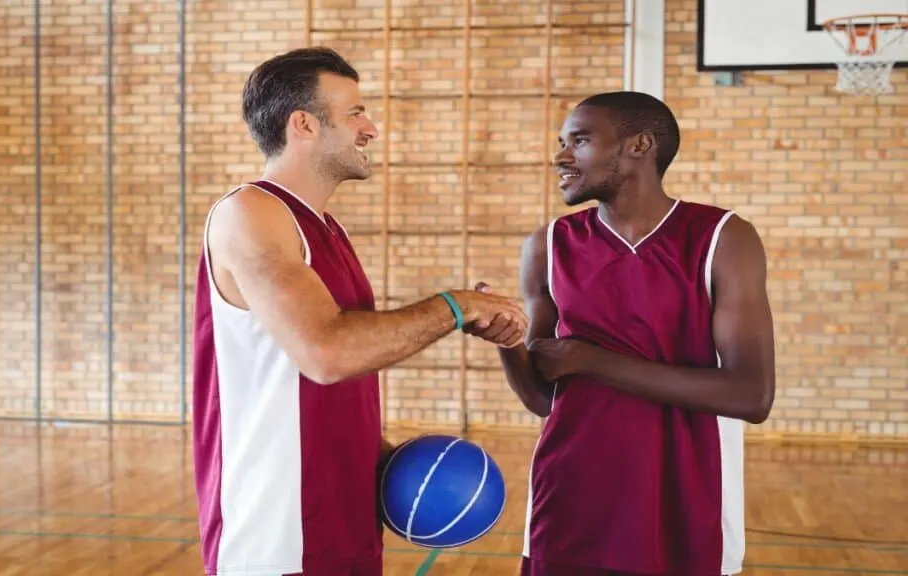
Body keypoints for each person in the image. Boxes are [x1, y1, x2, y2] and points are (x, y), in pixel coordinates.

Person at [190, 47, 529, 576]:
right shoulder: (250, 213)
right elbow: (327, 353)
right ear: (303, 124)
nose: (370, 128)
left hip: (344, 526)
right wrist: (457, 306)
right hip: (278, 539)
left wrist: (392, 461)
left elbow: (328, 385)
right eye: (355, 113)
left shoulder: (325, 228)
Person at [497, 91, 776, 576]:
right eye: (562, 142)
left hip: (685, 496)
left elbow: (751, 395)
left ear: (640, 146)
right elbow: (545, 399)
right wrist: (505, 342)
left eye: (579, 141)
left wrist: (593, 361)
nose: (561, 155)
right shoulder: (547, 246)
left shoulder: (722, 238)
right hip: (570, 492)